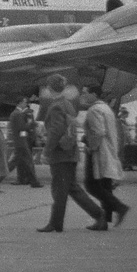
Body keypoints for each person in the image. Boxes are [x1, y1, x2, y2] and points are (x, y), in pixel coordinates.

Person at [37, 75, 108, 232]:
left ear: (49, 88)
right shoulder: (67, 104)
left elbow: (55, 132)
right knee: (71, 188)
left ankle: (57, 223)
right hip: (70, 152)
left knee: (60, 189)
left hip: (60, 155)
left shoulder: (56, 106)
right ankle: (96, 216)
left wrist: (46, 152)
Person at [81, 87, 130, 225]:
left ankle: (120, 207)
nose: (83, 95)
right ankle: (105, 219)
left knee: (91, 185)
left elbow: (99, 132)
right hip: (109, 149)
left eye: (86, 92)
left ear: (94, 94)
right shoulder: (106, 108)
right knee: (105, 184)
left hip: (98, 151)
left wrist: (91, 147)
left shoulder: (93, 110)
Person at [8, 96, 43, 187]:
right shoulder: (18, 113)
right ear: (20, 103)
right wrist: (32, 124)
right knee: (25, 161)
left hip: (23, 140)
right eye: (24, 102)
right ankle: (32, 181)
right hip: (22, 141)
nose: (26, 103)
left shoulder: (23, 113)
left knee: (23, 161)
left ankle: (28, 180)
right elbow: (22, 128)